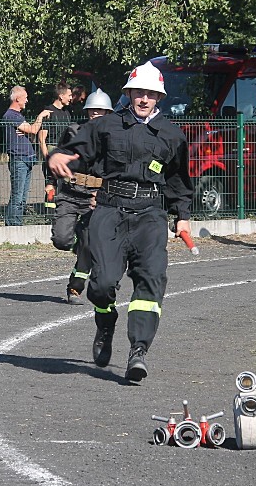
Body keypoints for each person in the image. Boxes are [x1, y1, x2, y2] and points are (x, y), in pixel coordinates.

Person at [48, 62, 193, 383]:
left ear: (159, 97)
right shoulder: (106, 126)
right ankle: (104, 320)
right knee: (100, 285)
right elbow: (74, 148)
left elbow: (179, 182)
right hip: (110, 209)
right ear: (128, 93)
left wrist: (182, 217)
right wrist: (58, 155)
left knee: (151, 280)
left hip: (150, 214)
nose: (144, 99)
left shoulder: (172, 134)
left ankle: (138, 350)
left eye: (150, 94)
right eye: (138, 92)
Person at [50, 89, 114, 304]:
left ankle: (75, 288)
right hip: (69, 194)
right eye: (93, 110)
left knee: (89, 243)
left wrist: (103, 194)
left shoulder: (114, 138)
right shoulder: (73, 131)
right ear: (87, 112)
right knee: (61, 240)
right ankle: (76, 242)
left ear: (108, 113)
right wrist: (50, 183)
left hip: (94, 197)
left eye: (101, 111)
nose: (96, 114)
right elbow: (57, 157)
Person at [3, 86, 48, 226]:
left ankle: (17, 222)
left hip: (26, 159)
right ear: (17, 99)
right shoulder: (11, 115)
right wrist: (40, 116)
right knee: (18, 195)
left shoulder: (18, 116)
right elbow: (34, 130)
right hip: (19, 160)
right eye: (25, 97)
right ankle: (13, 225)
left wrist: (29, 132)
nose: (27, 100)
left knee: (23, 196)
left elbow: (30, 133)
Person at [37, 83, 74, 207]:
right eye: (69, 95)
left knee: (66, 185)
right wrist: (47, 157)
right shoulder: (49, 112)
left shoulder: (67, 113)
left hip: (65, 152)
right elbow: (42, 139)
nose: (71, 98)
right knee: (51, 185)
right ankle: (49, 214)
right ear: (60, 95)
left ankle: (63, 210)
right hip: (52, 150)